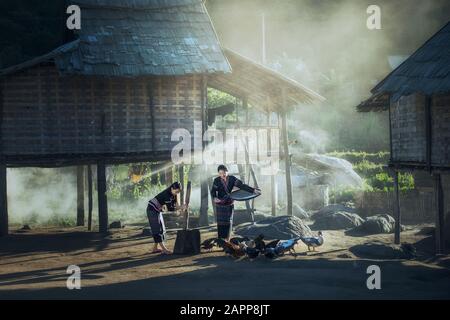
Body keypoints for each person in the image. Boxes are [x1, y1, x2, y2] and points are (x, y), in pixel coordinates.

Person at [210, 165, 260, 241]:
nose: (222, 175)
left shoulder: (232, 179)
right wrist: (214, 197)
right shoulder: (216, 180)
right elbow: (213, 191)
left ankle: (227, 239)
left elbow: (242, 186)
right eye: (220, 173)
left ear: (227, 172)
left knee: (228, 222)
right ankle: (221, 241)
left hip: (229, 203)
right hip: (220, 204)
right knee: (220, 223)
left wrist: (253, 190)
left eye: (224, 173)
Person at [147, 182, 183, 254]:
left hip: (157, 210)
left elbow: (176, 205)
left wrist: (182, 207)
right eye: (176, 191)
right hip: (152, 210)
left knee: (162, 228)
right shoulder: (167, 194)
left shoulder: (173, 194)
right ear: (172, 188)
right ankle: (164, 249)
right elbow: (170, 209)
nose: (177, 193)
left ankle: (155, 248)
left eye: (178, 192)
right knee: (157, 229)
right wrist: (180, 208)